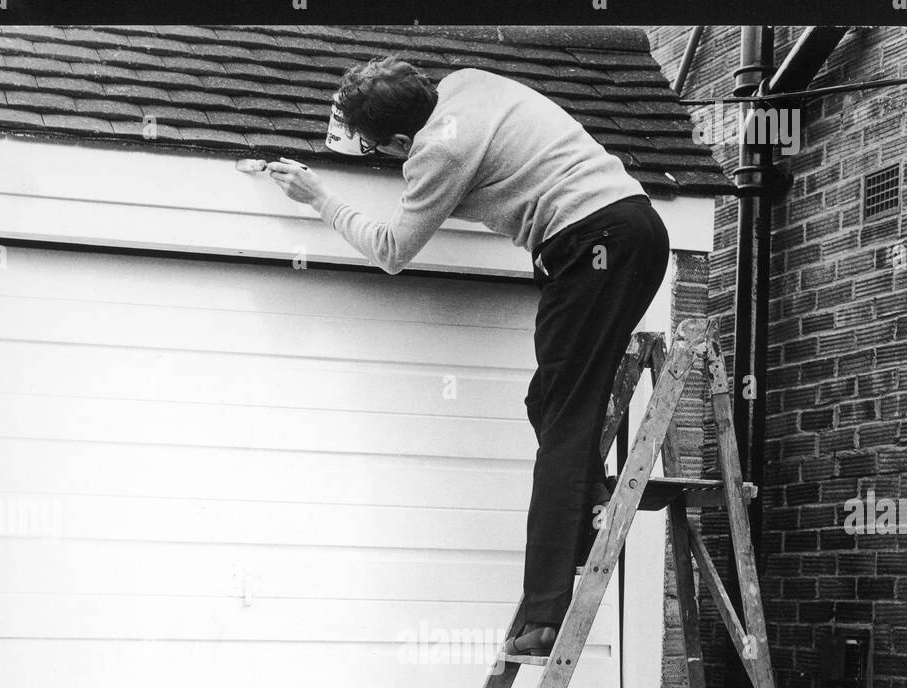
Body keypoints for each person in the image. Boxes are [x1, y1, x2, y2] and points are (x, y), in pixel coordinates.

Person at [267, 57, 670, 656]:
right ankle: (588, 507)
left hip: (590, 245)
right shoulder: (467, 82)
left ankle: (542, 616)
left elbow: (392, 249)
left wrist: (319, 197)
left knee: (565, 418)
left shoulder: (435, 153)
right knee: (552, 402)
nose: (392, 162)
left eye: (387, 152)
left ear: (404, 140)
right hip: (633, 230)